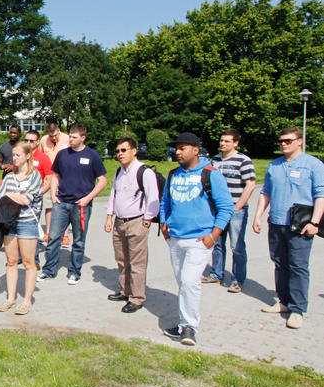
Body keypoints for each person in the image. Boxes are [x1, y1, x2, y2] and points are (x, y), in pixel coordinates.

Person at [160, 132, 233, 346]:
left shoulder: (211, 174)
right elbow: (165, 202)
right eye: (177, 148)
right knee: (182, 282)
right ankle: (183, 323)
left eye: (183, 148)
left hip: (200, 240)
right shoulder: (173, 175)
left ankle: (190, 326)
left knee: (190, 281)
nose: (178, 152)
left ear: (196, 150)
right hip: (175, 238)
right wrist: (165, 224)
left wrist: (214, 234)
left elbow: (226, 207)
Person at [252, 127, 324, 330]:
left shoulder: (313, 165)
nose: (283, 144)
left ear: (299, 141)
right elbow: (265, 192)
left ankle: (297, 309)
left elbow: (321, 195)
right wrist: (258, 216)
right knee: (280, 263)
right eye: (281, 141)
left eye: (288, 140)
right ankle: (283, 301)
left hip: (300, 225)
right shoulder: (274, 165)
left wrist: (315, 223)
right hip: (276, 222)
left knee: (298, 267)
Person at [38, 124, 107, 284]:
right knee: (54, 237)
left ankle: (74, 271)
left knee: (78, 240)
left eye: (74, 137)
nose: (70, 139)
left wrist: (88, 198)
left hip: (81, 205)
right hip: (61, 203)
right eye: (69, 136)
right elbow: (55, 175)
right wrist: (53, 194)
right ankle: (48, 270)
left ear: (83, 138)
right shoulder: (62, 154)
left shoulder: (92, 156)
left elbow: (102, 181)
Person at [104, 137, 160, 313]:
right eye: (118, 151)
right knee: (122, 259)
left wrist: (147, 220)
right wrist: (109, 217)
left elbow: (154, 199)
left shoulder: (144, 172)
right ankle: (125, 290)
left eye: (124, 150)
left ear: (134, 151)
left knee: (137, 262)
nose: (120, 154)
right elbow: (113, 195)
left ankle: (137, 298)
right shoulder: (119, 172)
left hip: (137, 221)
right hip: (119, 222)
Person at [203, 129, 256, 292]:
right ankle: (216, 274)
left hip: (235, 210)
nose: (223, 143)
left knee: (236, 246)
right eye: (221, 140)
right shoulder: (216, 160)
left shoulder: (243, 160)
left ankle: (237, 279)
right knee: (217, 243)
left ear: (236, 143)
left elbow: (251, 184)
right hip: (218, 210)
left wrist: (238, 206)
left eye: (227, 141)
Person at [0, 141, 43, 315]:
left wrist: (10, 195)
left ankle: (27, 301)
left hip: (27, 222)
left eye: (18, 155)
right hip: (10, 223)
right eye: (13, 155)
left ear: (28, 156)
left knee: (29, 263)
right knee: (11, 261)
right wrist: (12, 196)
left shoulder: (35, 176)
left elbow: (27, 199)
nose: (14, 158)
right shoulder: (8, 177)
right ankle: (11, 299)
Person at [24, 129, 53, 266]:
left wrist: (39, 194)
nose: (28, 143)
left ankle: (34, 259)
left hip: (35, 200)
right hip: (21, 198)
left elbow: (49, 178)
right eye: (26, 140)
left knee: (32, 228)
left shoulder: (43, 158)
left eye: (31, 141)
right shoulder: (21, 155)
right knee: (21, 228)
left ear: (37, 142)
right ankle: (22, 256)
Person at [39, 122, 70, 246]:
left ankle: (65, 235)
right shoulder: (43, 140)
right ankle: (48, 232)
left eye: (55, 135)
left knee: (64, 205)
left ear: (59, 131)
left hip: (64, 175)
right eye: (51, 136)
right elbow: (41, 156)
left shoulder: (67, 139)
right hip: (49, 175)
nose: (53, 138)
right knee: (49, 205)